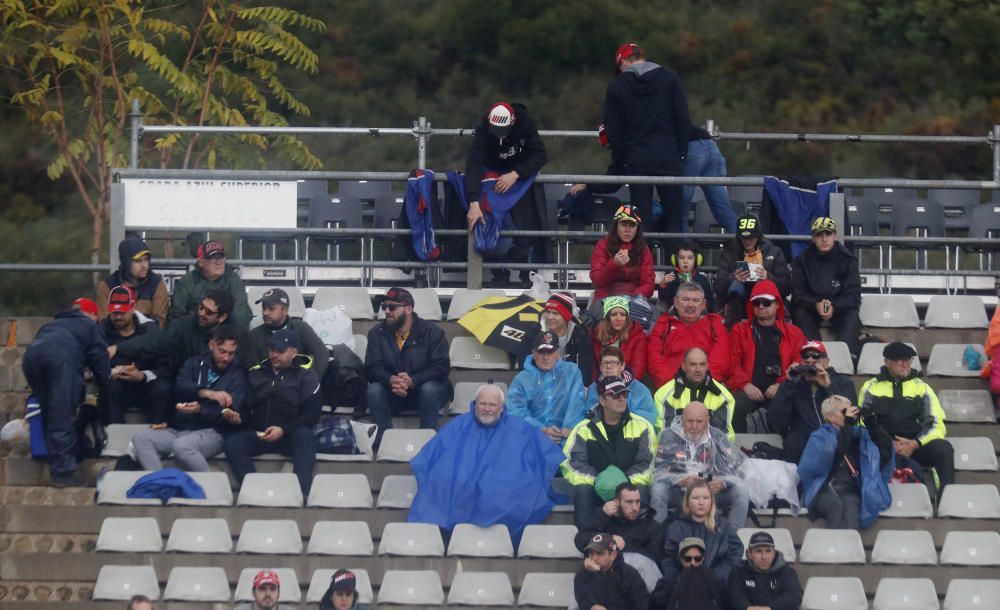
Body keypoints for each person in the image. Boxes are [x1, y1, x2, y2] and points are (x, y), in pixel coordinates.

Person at [408, 384, 565, 541]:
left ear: (501, 408)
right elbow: (430, 457)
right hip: (460, 490)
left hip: (503, 491)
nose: (487, 409)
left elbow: (544, 457)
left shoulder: (520, 428)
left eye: (492, 404)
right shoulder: (458, 425)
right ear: (475, 404)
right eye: (483, 404)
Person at [130, 326, 247, 472]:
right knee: (140, 438)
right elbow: (180, 386)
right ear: (212, 345)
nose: (226, 358)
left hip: (213, 432)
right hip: (181, 427)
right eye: (222, 351)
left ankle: (209, 489)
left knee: (182, 446)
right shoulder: (194, 363)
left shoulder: (238, 374)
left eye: (231, 354)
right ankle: (159, 481)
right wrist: (206, 393)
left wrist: (200, 410)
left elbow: (231, 410)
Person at [21, 297, 110, 487]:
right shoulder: (91, 326)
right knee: (62, 415)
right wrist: (107, 384)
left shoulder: (53, 324)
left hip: (31, 360)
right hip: (60, 362)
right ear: (93, 316)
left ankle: (58, 459)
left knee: (49, 413)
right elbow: (101, 362)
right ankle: (63, 473)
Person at [603, 42, 690, 235]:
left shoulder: (617, 85)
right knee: (674, 217)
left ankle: (645, 265)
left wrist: (621, 160)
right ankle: (675, 263)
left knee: (641, 219)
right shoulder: (670, 78)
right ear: (642, 58)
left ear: (623, 62)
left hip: (637, 159)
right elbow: (683, 119)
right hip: (668, 156)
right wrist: (681, 154)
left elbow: (613, 130)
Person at [223, 328, 321, 494]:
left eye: (280, 351)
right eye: (272, 350)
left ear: (293, 352)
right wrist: (238, 418)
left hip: (289, 435)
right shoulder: (256, 373)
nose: (274, 354)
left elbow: (312, 414)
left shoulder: (306, 376)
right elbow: (247, 408)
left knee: (305, 436)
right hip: (259, 434)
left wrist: (283, 430)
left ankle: (300, 493)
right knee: (232, 442)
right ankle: (254, 491)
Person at [464, 101, 548, 287]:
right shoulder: (483, 128)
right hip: (492, 178)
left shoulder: (525, 123)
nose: (500, 135)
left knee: (525, 223)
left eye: (503, 130)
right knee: (494, 222)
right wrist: (474, 202)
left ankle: (528, 274)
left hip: (520, 177)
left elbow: (541, 155)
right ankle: (499, 273)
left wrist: (516, 174)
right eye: (496, 131)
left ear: (513, 121)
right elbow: (473, 164)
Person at [563, 376, 656, 531]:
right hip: (596, 487)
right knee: (582, 488)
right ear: (602, 400)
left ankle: (636, 539)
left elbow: (648, 463)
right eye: (615, 395)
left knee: (640, 488)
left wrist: (623, 484)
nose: (621, 399)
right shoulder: (583, 428)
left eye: (624, 395)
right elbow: (572, 464)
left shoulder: (643, 426)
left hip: (629, 486)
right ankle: (587, 537)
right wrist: (600, 482)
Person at [859, 342, 954, 492]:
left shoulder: (922, 388)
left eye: (909, 359)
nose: (906, 364)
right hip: (882, 446)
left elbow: (936, 423)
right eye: (900, 360)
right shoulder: (870, 387)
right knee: (861, 445)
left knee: (943, 449)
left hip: (915, 445)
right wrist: (887, 443)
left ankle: (946, 500)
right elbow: (862, 423)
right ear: (887, 362)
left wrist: (915, 443)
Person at [364, 287, 451, 445]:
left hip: (424, 392)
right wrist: (391, 379)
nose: (387, 311)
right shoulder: (377, 333)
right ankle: (385, 442)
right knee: (374, 390)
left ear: (409, 309)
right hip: (393, 391)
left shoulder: (432, 332)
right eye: (384, 307)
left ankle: (427, 441)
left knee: (430, 389)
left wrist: (413, 380)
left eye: (392, 307)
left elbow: (441, 367)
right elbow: (372, 367)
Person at [798, 395, 894, 529]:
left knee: (850, 502)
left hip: (850, 491)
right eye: (844, 412)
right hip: (821, 491)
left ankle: (848, 547)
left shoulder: (858, 436)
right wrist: (848, 425)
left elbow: (885, 453)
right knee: (835, 504)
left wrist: (872, 423)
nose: (850, 415)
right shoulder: (820, 436)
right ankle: (836, 547)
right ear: (830, 416)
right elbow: (834, 452)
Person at [727, 280, 806, 433]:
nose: (761, 306)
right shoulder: (740, 330)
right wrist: (745, 385)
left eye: (767, 302)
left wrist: (781, 385)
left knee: (788, 403)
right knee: (736, 404)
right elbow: (732, 362)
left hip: (780, 390)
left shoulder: (794, 333)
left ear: (777, 305)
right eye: (757, 303)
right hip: (747, 390)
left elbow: (799, 363)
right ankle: (737, 449)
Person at [651, 402, 749, 526]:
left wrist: (723, 483)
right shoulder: (668, 436)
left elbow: (736, 470)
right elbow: (658, 472)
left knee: (740, 492)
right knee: (658, 490)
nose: (694, 426)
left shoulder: (718, 437)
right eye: (689, 421)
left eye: (699, 421)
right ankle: (656, 535)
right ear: (682, 420)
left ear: (708, 420)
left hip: (710, 493)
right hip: (680, 492)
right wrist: (680, 480)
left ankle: (733, 538)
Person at [767, 340, 856, 463]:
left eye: (816, 359)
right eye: (805, 360)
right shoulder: (794, 385)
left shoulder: (843, 383)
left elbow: (851, 415)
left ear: (826, 362)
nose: (810, 362)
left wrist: (828, 387)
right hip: (802, 445)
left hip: (835, 441)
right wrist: (788, 384)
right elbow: (775, 419)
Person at [110, 290, 234, 373]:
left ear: (222, 318)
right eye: (201, 307)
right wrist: (119, 348)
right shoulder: (185, 325)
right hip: (186, 384)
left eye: (208, 312)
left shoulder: (233, 337)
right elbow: (157, 340)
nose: (201, 313)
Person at [790, 217, 862, 358]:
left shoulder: (848, 260)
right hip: (811, 308)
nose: (824, 239)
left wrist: (834, 306)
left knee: (852, 315)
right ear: (813, 238)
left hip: (839, 308)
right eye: (819, 235)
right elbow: (798, 294)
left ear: (834, 236)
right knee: (799, 312)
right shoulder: (802, 260)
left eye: (828, 234)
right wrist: (815, 304)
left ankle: (846, 358)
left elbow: (854, 296)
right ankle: (812, 356)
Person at [99, 285, 172, 425]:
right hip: (117, 386)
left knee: (163, 388)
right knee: (108, 388)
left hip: (145, 384)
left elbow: (164, 366)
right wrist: (110, 372)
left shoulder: (150, 329)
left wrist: (143, 375)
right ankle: (115, 438)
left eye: (123, 312)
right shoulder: (102, 330)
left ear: (133, 308)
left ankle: (155, 436)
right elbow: (95, 363)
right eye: (115, 313)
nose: (118, 317)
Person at [575, 482, 666, 591]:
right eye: (629, 502)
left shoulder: (650, 525)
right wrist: (606, 534)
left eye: (637, 502)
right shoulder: (605, 520)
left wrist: (622, 548)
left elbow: (654, 558)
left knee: (640, 562)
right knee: (585, 572)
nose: (635, 507)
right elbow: (580, 540)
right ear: (617, 503)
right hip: (606, 577)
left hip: (637, 580)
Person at [507, 331, 586, 442]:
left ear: (558, 352)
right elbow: (515, 412)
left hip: (566, 438)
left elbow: (576, 404)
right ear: (533, 353)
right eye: (541, 352)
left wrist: (566, 432)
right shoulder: (521, 379)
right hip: (532, 439)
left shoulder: (572, 372)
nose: (545, 357)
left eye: (550, 352)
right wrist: (541, 430)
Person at [647, 282, 730, 389]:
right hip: (670, 387)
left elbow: (720, 360)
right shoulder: (663, 325)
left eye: (696, 300)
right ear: (676, 302)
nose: (690, 304)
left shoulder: (714, 324)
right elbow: (655, 359)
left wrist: (703, 383)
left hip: (707, 386)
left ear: (704, 304)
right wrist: (674, 385)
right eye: (685, 299)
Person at [660, 478, 743, 584]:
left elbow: (735, 554)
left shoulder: (724, 526)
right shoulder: (675, 526)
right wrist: (679, 580)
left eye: (706, 498)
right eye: (696, 498)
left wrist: (715, 576)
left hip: (716, 587)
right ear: (687, 500)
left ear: (712, 500)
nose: (701, 502)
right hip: (684, 588)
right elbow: (668, 560)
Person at [714, 213, 791, 326]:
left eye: (751, 237)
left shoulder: (774, 251)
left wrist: (768, 277)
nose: (747, 241)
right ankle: (731, 328)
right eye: (744, 238)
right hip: (738, 300)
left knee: (763, 287)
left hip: (765, 299)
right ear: (738, 237)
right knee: (736, 285)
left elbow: (787, 287)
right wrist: (733, 277)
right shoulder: (728, 253)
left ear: (759, 235)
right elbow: (718, 287)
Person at [241, 287, 329, 382]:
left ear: (285, 311)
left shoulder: (302, 328)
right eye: (264, 308)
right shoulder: (254, 335)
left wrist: (312, 382)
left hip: (300, 388)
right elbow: (252, 370)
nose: (265, 312)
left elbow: (322, 353)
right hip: (268, 391)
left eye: (271, 309)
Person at [168, 240, 253, 333]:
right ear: (201, 262)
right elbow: (176, 316)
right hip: (193, 335)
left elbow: (241, 314)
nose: (219, 262)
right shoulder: (187, 282)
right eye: (213, 258)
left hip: (225, 336)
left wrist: (231, 339)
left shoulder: (233, 280)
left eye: (221, 257)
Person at [653, 348, 735, 439]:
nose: (698, 369)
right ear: (684, 366)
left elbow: (724, 435)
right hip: (675, 449)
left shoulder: (724, 397)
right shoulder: (663, 395)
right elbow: (664, 434)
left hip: (710, 450)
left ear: (707, 366)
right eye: (693, 364)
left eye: (702, 364)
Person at [574, 347, 658, 434]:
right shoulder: (593, 389)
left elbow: (649, 419)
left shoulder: (639, 389)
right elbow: (588, 415)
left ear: (622, 366)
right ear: (600, 367)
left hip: (633, 434)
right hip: (600, 434)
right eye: (605, 363)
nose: (609, 366)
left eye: (614, 362)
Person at [523, 291, 595, 384]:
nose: (550, 317)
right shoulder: (533, 333)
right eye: (547, 312)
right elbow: (524, 366)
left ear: (566, 317)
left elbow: (586, 373)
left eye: (555, 313)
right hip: (539, 385)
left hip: (570, 387)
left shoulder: (580, 336)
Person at [679, 122, 737, 234]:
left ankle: (684, 250)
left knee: (681, 213)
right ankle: (747, 248)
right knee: (723, 210)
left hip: (692, 146)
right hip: (711, 145)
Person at [97, 236, 168, 327]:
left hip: (146, 338)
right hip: (115, 339)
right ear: (126, 262)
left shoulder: (157, 284)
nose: (144, 265)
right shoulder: (107, 285)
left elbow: (160, 322)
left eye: (146, 260)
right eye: (138, 261)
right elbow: (103, 323)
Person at [590, 204, 655, 300]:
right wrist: (614, 264)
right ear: (616, 225)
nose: (627, 230)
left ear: (638, 228)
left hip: (634, 301)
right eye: (623, 224)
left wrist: (630, 299)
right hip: (606, 299)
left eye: (632, 225)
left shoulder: (643, 248)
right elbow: (597, 280)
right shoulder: (602, 245)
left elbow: (648, 285)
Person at [727, 531, 804, 610]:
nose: (764, 557)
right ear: (750, 554)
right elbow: (734, 596)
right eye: (758, 551)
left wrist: (770, 608)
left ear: (774, 553)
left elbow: (795, 596)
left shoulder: (788, 572)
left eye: (768, 551)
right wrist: (748, 608)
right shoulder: (738, 572)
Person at [573, 532, 650, 610]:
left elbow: (641, 605)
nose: (594, 558)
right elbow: (584, 603)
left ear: (613, 555)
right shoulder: (583, 574)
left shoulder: (629, 575)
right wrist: (591, 606)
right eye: (591, 553)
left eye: (599, 553)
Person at [649, 536, 726, 610]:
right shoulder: (671, 580)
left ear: (703, 559)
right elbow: (655, 601)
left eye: (697, 559)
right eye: (688, 559)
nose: (692, 562)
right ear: (680, 559)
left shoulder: (713, 579)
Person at [590, 295, 648, 382]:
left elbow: (638, 368)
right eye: (614, 314)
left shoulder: (637, 335)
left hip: (628, 384)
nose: (619, 319)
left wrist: (620, 384)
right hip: (600, 383)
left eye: (623, 314)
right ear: (607, 317)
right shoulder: (595, 334)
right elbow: (592, 367)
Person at [657, 240, 714, 313]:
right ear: (675, 260)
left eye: (690, 258)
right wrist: (663, 285)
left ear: (697, 260)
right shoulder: (671, 278)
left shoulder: (703, 280)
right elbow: (663, 299)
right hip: (675, 314)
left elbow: (710, 304)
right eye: (681, 258)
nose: (685, 261)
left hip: (698, 315)